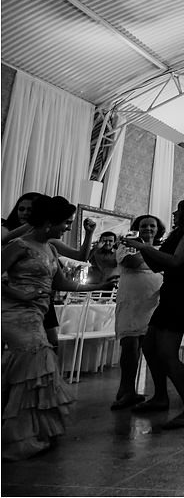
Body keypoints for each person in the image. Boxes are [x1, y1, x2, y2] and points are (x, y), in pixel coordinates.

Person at [1, 196, 108, 460]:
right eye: (65, 223)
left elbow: (61, 283)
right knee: (35, 360)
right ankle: (19, 436)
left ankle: (28, 427)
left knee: (29, 367)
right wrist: (19, 294)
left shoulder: (49, 249)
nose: (67, 229)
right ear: (49, 223)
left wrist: (97, 286)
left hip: (36, 314)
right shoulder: (19, 245)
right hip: (12, 314)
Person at [120, 198, 184, 430]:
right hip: (171, 291)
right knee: (150, 347)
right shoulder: (178, 233)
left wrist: (145, 248)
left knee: (167, 353)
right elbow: (157, 266)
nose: (174, 212)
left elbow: (175, 261)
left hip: (183, 294)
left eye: (180, 209)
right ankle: (160, 396)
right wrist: (142, 246)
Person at [2, 192, 97, 348]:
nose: (26, 213)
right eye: (21, 209)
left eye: (30, 210)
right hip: (11, 297)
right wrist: (37, 222)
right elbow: (4, 240)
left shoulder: (48, 241)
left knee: (50, 343)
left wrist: (89, 234)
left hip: (40, 298)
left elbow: (80, 256)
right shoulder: (7, 232)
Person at [111, 214, 166, 410]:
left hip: (153, 302)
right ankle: (126, 389)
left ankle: (154, 391)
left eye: (152, 226)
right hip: (131, 301)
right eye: (144, 226)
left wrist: (146, 255)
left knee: (150, 347)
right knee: (129, 345)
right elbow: (131, 262)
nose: (148, 229)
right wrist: (148, 255)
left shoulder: (162, 249)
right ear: (137, 228)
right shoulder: (126, 246)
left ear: (158, 229)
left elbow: (164, 266)